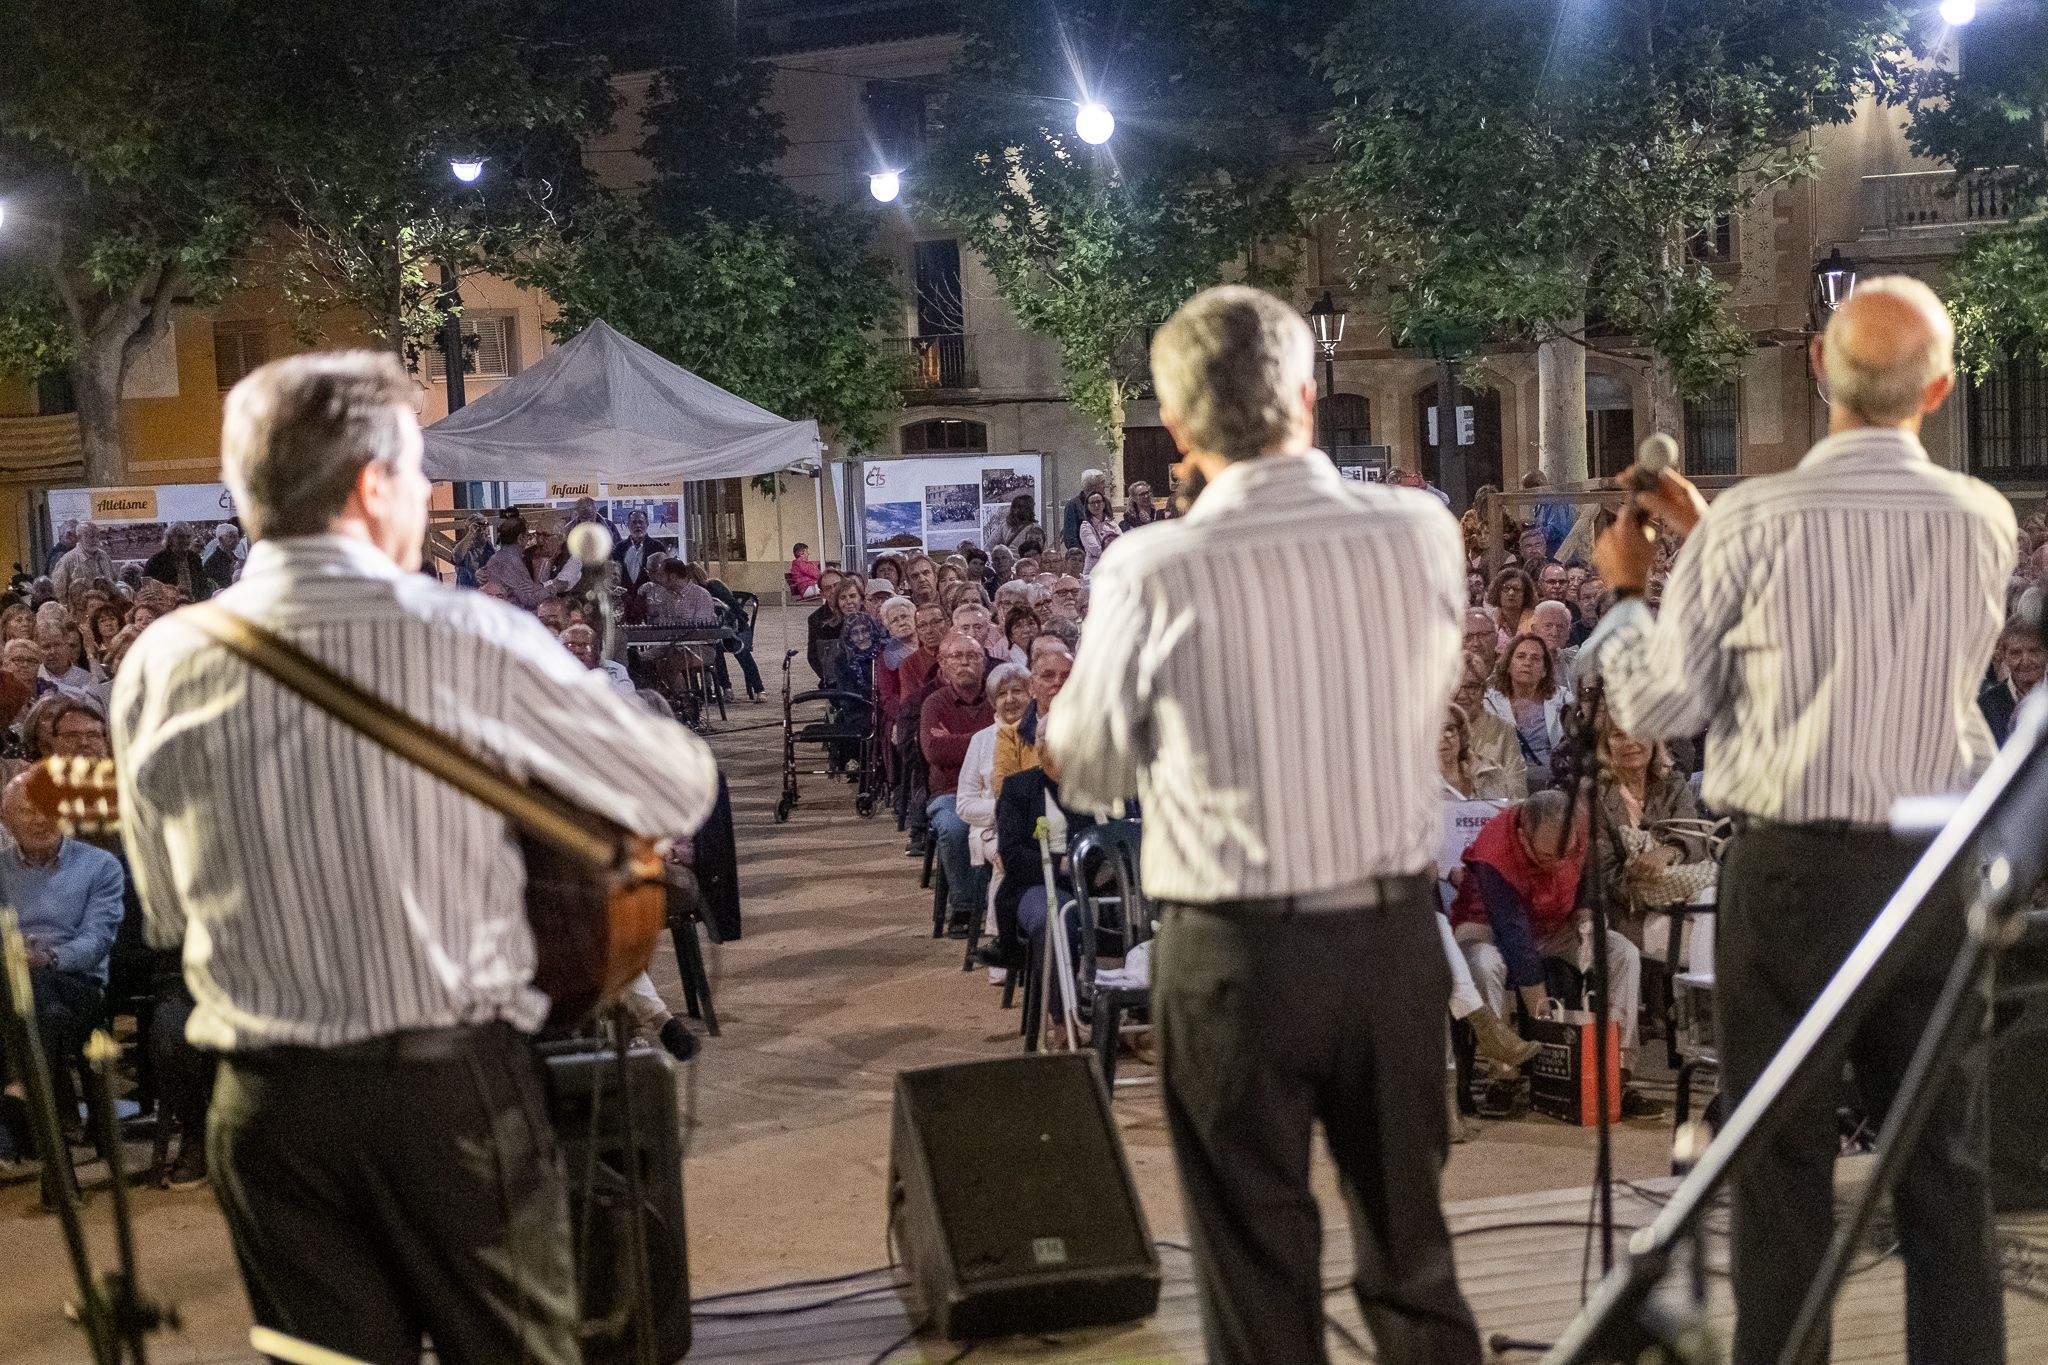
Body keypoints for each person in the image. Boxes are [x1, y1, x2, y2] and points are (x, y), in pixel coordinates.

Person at [111, 350, 719, 1365]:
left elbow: (169, 912)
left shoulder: (161, 662)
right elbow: (671, 792)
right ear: (369, 486)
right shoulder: (472, 638)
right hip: (448, 1099)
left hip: (264, 1108)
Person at [1046, 285, 1481, 1364]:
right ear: (1306, 391)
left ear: (1177, 428)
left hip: (1235, 956)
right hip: (1388, 941)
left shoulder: (1150, 568)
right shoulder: (1418, 531)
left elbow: (1091, 770)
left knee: (1256, 1282)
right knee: (1413, 1265)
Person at [1588, 276, 2014, 1363]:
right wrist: (1712, 534)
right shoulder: (1983, 519)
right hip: (1932, 873)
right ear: (1939, 391)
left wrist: (1634, 591)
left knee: (1779, 1168)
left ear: (1813, 368)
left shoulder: (1753, 520)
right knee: (1941, 1167)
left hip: (1791, 875)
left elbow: (1659, 705)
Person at [0, 769, 127, 1158]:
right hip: (11, 985)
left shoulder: (101, 866)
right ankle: (51, 1158)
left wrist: (47, 956)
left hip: (76, 985)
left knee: (36, 994)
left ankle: (21, 1095)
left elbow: (95, 943)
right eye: (26, 811)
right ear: (5, 820)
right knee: (26, 997)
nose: (39, 819)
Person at [920, 632, 995, 930]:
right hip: (950, 792)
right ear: (943, 664)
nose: (965, 662)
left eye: (972, 656)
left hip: (993, 790)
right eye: (956, 656)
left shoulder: (998, 698)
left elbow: (1011, 741)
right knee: (953, 827)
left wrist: (957, 742)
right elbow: (936, 752)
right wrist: (986, 741)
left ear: (984, 662)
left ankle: (1003, 903)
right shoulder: (934, 704)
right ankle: (964, 908)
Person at [1484, 632, 1565, 793]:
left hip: (1552, 781)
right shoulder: (1488, 701)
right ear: (1508, 665)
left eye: (1535, 658)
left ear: (1544, 671)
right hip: (1503, 778)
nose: (1527, 662)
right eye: (1521, 656)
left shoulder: (1562, 699)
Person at [1979, 617, 2043, 746]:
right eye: (2015, 653)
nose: (2025, 661)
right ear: (2003, 655)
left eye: (2034, 651)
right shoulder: (1985, 705)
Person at [481, 514, 549, 608]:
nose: (529, 540)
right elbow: (531, 600)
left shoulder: (497, 557)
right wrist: (553, 587)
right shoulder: (513, 562)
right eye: (528, 536)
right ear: (520, 538)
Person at [561, 622, 636, 698]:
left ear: (598, 652)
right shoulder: (553, 672)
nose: (578, 650)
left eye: (585, 645)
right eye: (571, 645)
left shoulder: (615, 670)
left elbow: (627, 700)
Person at [51, 523, 114, 602]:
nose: (95, 540)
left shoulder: (104, 556)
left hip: (105, 608)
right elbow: (59, 592)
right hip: (80, 610)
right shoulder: (67, 560)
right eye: (90, 536)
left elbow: (114, 581)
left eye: (97, 536)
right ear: (79, 538)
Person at [143, 524, 208, 600]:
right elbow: (149, 589)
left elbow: (202, 584)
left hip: (194, 605)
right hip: (168, 606)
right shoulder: (156, 561)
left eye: (188, 536)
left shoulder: (195, 558)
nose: (186, 540)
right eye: (180, 537)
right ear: (170, 539)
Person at [611, 508, 659, 594]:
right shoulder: (619, 548)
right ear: (628, 525)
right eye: (634, 522)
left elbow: (662, 575)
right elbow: (614, 574)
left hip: (650, 599)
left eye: (641, 522)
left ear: (647, 524)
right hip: (625, 601)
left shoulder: (657, 547)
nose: (638, 526)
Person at [1484, 565, 1536, 645]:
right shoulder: (1489, 620)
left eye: (1517, 589)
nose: (1511, 593)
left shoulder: (1536, 620)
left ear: (1525, 594)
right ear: (1498, 592)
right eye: (1506, 588)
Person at [1060, 468, 1108, 551]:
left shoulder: (1104, 502)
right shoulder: (1073, 505)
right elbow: (1070, 536)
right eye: (1102, 482)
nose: (1105, 486)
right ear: (1093, 486)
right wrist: (1081, 557)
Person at [1077, 489, 1121, 575]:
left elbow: (1122, 542)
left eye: (1098, 502)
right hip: (1094, 571)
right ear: (1088, 506)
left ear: (1104, 504)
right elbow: (1096, 550)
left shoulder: (1112, 523)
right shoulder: (1086, 526)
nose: (1096, 505)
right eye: (1092, 503)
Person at [199, 522, 243, 594]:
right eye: (232, 537)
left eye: (237, 537)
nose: (236, 540)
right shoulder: (213, 561)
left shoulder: (234, 557)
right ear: (221, 539)